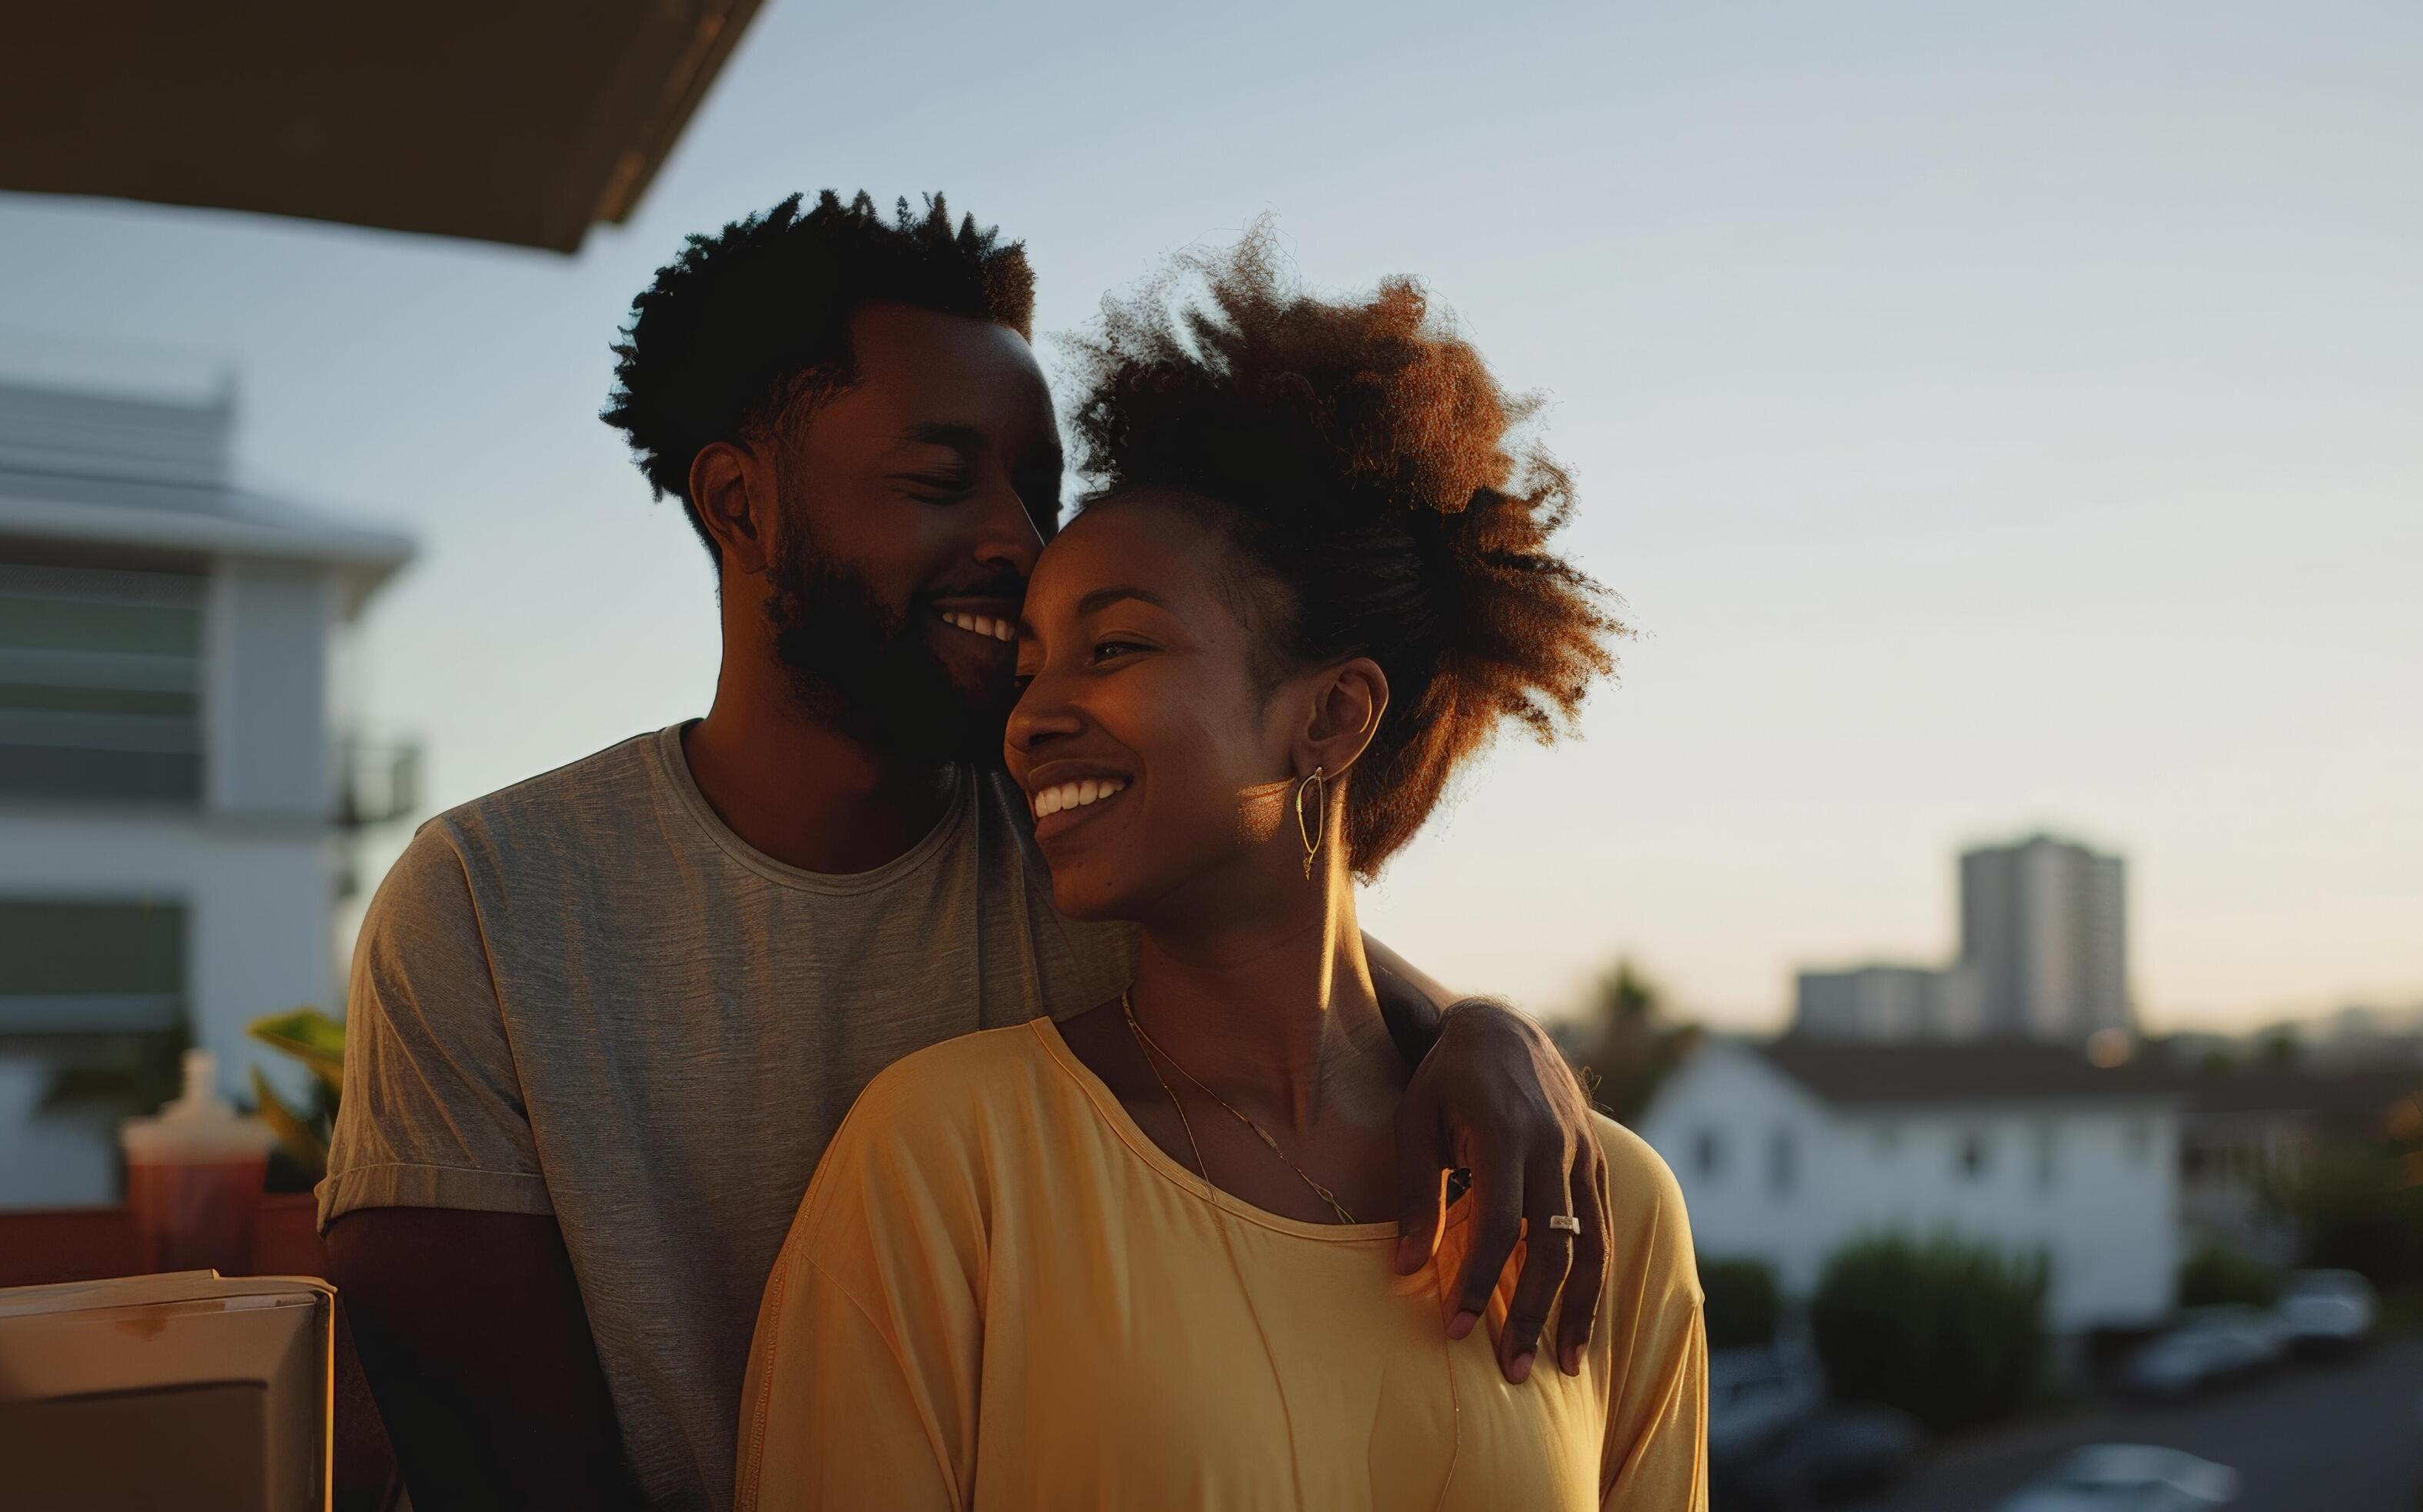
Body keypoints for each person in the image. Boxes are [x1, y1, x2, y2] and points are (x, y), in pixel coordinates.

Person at [319, 192, 1615, 1512]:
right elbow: (490, 1459)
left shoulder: (1078, 846)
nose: (1017, 538)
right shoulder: (492, 903)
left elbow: (1315, 981)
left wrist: (1490, 1036)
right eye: (941, 481)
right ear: (739, 503)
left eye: (1036, 487)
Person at [736, 234, 1703, 1510]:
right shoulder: (947, 1163)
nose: (1030, 719)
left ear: (1331, 718)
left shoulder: (1596, 1208)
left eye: (1115, 647)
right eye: (1029, 665)